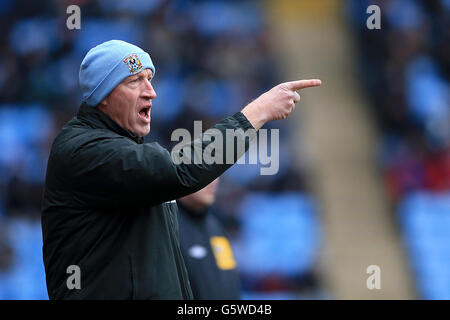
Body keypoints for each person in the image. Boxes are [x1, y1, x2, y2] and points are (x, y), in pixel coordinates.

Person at [41, 39, 321, 300]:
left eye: (150, 79)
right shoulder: (84, 149)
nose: (151, 91)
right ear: (104, 95)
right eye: (135, 81)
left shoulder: (123, 155)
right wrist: (257, 112)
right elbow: (180, 170)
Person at [178, 179, 240, 300]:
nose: (212, 181)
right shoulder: (168, 227)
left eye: (215, 175)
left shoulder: (215, 226)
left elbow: (229, 276)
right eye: (201, 170)